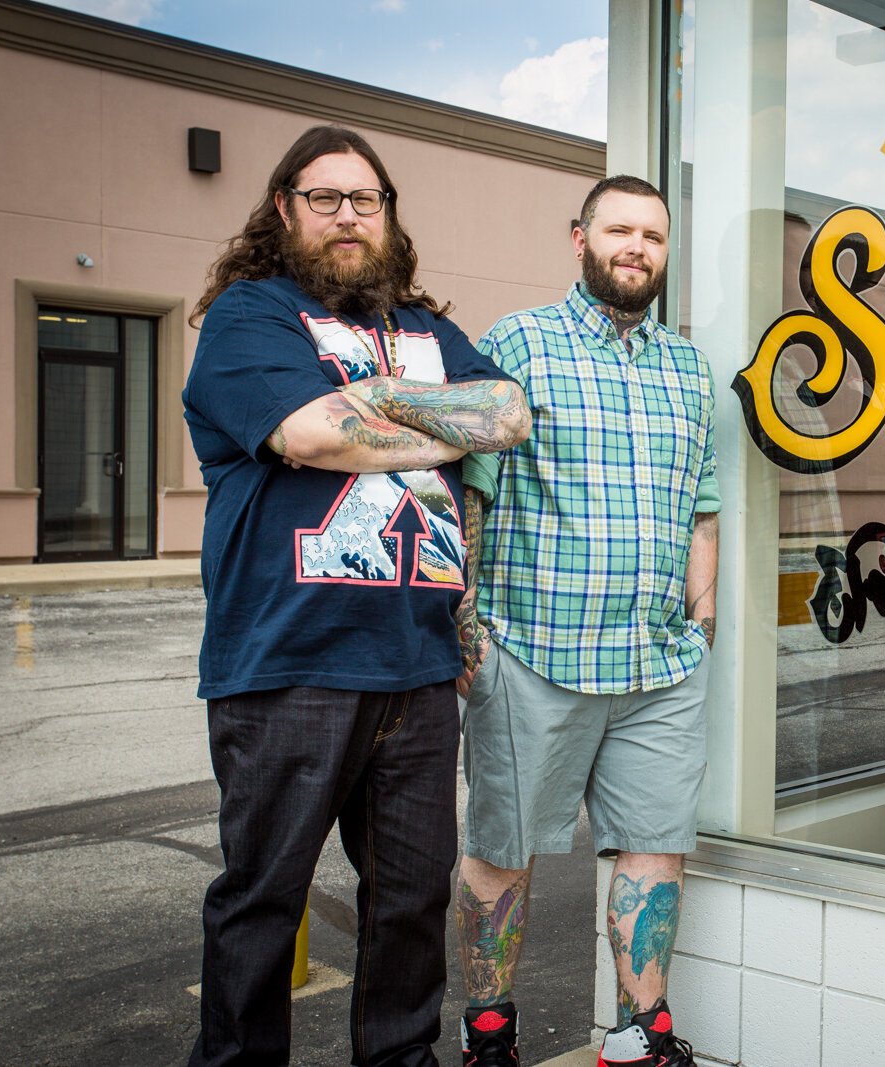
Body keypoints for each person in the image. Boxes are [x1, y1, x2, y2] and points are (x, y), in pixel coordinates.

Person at [182, 125, 530, 1067]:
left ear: (387, 215)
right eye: (325, 197)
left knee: (411, 906)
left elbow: (505, 412)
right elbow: (309, 432)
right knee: (263, 903)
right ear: (286, 208)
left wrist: (371, 406)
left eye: (364, 199)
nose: (347, 215)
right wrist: (428, 421)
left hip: (418, 668)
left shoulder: (429, 329)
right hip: (289, 663)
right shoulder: (250, 318)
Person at [453, 175, 717, 1067]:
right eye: (619, 230)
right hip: (533, 654)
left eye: (653, 234)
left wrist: (703, 609)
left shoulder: (687, 365)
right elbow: (472, 495)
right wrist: (467, 625)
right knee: (502, 852)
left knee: (655, 849)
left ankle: (641, 1035)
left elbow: (702, 505)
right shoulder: (517, 343)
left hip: (659, 667)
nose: (637, 246)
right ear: (580, 239)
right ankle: (490, 1030)